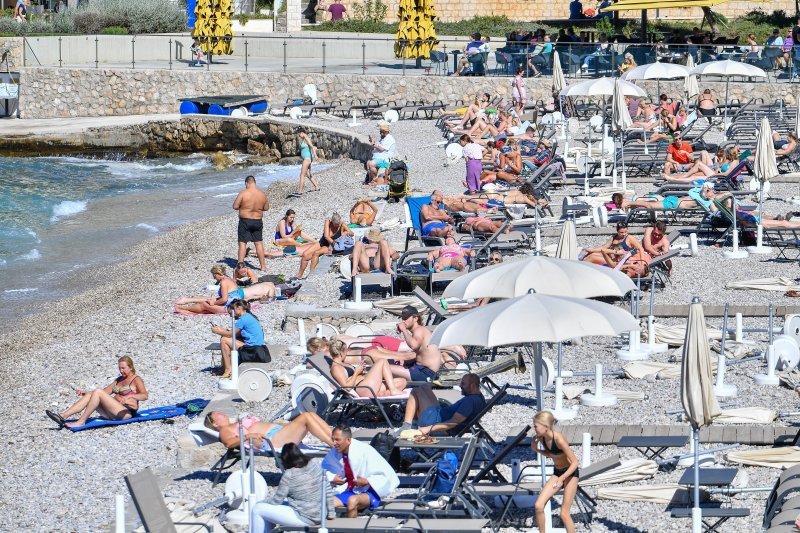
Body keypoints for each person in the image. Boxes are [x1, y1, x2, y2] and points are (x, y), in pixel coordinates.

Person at [46, 356, 148, 429]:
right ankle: (63, 416)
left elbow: (144, 395)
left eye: (123, 368)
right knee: (93, 393)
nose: (121, 371)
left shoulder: (136, 379)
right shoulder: (119, 379)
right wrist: (85, 392)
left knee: (97, 391)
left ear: (130, 367)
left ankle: (81, 421)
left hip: (125, 414)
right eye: (119, 368)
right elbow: (103, 393)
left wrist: (130, 397)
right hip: (111, 414)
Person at [251, 443, 335, 533]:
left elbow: (276, 501)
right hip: (320, 515)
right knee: (266, 511)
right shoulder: (314, 465)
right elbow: (327, 490)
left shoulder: (289, 474)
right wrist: (331, 512)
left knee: (257, 509)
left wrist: (260, 502)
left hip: (304, 517)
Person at [322, 425, 400, 518]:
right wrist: (332, 477)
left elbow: (386, 474)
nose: (334, 443)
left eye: (337, 440)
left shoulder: (364, 450)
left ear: (348, 440)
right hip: (349, 490)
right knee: (326, 503)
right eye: (333, 439)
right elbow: (323, 469)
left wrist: (367, 481)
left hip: (369, 491)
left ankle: (350, 528)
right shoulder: (335, 451)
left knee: (352, 501)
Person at [531, 410, 580, 533]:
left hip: (570, 474)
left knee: (564, 514)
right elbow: (552, 455)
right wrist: (536, 449)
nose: (534, 429)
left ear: (546, 427)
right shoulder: (541, 438)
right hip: (557, 472)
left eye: (536, 426)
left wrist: (562, 478)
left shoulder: (559, 439)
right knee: (538, 506)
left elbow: (575, 463)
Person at [398, 373, 484, 435]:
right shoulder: (480, 398)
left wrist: (427, 429)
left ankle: (407, 425)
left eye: (463, 384)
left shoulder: (469, 401)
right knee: (424, 387)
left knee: (416, 391)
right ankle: (415, 420)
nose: (460, 386)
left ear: (472, 386)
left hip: (434, 422)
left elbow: (452, 423)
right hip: (439, 415)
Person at [204, 411, 335, 449]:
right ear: (215, 424)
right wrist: (248, 436)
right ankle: (334, 444)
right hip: (273, 441)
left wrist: (286, 426)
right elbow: (229, 443)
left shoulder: (235, 424)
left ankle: (335, 438)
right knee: (306, 417)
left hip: (278, 434)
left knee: (310, 414)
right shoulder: (224, 431)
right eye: (219, 415)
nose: (223, 413)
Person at [328, 338, 407, 397]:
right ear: (341, 353)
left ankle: (383, 396)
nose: (347, 353)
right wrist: (356, 372)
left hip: (367, 383)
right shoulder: (336, 368)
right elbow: (347, 387)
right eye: (346, 351)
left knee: (402, 381)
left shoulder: (343, 363)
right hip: (362, 388)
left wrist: (361, 371)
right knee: (382, 361)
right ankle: (392, 390)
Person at [211, 299, 269, 378]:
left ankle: (228, 370)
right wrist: (222, 330)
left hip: (253, 350)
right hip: (260, 349)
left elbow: (229, 335)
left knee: (224, 340)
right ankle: (228, 366)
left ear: (239, 308)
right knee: (228, 339)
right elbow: (235, 334)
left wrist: (216, 331)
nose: (232, 315)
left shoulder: (243, 319)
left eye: (233, 310)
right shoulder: (249, 316)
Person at [298, 212, 353, 278]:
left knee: (316, 253)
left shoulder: (342, 225)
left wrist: (346, 232)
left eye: (338, 224)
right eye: (335, 224)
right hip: (324, 242)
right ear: (332, 222)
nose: (337, 226)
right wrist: (333, 242)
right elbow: (326, 236)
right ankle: (299, 275)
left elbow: (352, 233)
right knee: (305, 254)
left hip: (331, 246)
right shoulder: (327, 222)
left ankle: (311, 274)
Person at [233, 175, 270, 272]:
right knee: (258, 244)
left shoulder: (243, 193)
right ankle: (263, 267)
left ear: (246, 183)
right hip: (257, 221)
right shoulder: (262, 194)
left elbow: (235, 206)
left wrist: (244, 206)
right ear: (254, 183)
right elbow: (266, 208)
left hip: (245, 221)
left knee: (242, 244)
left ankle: (240, 266)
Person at [582, 221, 646, 266]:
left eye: (626, 232)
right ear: (617, 231)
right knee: (590, 254)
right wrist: (591, 250)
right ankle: (580, 265)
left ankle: (580, 269)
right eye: (621, 232)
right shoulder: (613, 237)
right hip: (610, 258)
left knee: (592, 257)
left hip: (616, 262)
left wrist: (642, 263)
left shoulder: (629, 238)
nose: (624, 234)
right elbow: (604, 247)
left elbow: (641, 249)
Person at [294, 127, 319, 196]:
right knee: (308, 174)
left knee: (302, 175)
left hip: (307, 159)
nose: (299, 136)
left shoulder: (307, 138)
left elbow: (312, 147)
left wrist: (315, 155)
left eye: (299, 134)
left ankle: (300, 191)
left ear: (302, 133)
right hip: (307, 159)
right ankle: (317, 187)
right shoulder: (304, 139)